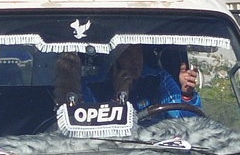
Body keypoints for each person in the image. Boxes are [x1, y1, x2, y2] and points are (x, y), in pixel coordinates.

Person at [53, 44, 200, 117]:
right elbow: (93, 130)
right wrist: (118, 97)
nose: (136, 59)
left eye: (138, 52)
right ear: (113, 59)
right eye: (127, 54)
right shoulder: (92, 85)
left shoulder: (158, 77)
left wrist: (186, 95)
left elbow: (182, 119)